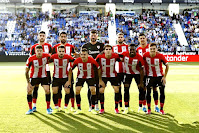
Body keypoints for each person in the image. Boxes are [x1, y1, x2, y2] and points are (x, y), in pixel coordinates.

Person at [71, 48, 105, 115]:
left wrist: (99, 79)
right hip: (80, 77)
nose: (83, 56)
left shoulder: (92, 60)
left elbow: (98, 68)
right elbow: (70, 69)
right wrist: (69, 79)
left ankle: (92, 108)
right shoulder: (77, 61)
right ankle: (78, 108)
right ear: (80, 55)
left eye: (85, 54)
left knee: (93, 90)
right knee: (77, 90)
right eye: (82, 54)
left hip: (90, 77)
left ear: (87, 55)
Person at [52, 31, 77, 112]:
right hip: (57, 72)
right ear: (59, 38)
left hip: (68, 72)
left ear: (66, 37)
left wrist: (71, 67)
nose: (63, 38)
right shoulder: (55, 47)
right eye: (61, 36)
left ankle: (72, 106)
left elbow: (74, 56)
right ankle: (58, 106)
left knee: (70, 90)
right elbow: (51, 58)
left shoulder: (71, 47)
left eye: (64, 36)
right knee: (58, 90)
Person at [29, 31, 52, 112]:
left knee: (48, 89)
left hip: (46, 70)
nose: (42, 37)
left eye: (43, 36)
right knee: (35, 88)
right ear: (38, 37)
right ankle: (34, 106)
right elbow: (31, 58)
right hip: (36, 71)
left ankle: (49, 107)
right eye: (40, 36)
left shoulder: (49, 46)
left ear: (45, 37)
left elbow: (51, 57)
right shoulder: (33, 47)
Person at [143, 43, 169, 114]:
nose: (152, 50)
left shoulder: (160, 56)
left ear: (156, 49)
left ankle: (161, 109)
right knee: (148, 92)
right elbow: (142, 64)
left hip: (159, 77)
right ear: (148, 49)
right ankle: (148, 109)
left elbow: (167, 65)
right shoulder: (145, 55)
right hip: (150, 77)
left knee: (162, 92)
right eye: (151, 49)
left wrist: (164, 77)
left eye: (154, 49)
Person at [81, 29, 104, 111]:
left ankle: (96, 104)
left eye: (95, 35)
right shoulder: (85, 46)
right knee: (90, 88)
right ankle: (90, 105)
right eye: (92, 35)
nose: (93, 37)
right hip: (88, 70)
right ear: (89, 36)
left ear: (97, 36)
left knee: (98, 87)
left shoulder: (101, 45)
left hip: (98, 69)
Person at [25, 45, 52, 115]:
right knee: (29, 91)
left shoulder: (47, 56)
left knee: (47, 90)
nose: (39, 52)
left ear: (42, 51)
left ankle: (48, 108)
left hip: (43, 77)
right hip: (34, 77)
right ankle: (30, 108)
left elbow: (54, 59)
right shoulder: (31, 59)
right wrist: (28, 83)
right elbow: (26, 72)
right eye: (38, 51)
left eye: (40, 51)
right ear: (35, 51)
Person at [137, 33, 159, 113]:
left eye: (143, 38)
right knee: (143, 89)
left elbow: (158, 55)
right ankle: (143, 106)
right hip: (143, 73)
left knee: (155, 89)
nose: (142, 39)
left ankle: (156, 106)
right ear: (139, 40)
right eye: (141, 38)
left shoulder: (150, 48)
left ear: (146, 39)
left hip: (152, 73)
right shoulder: (138, 49)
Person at [96, 45, 121, 114]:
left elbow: (121, 59)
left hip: (113, 75)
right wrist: (100, 80)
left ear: (112, 50)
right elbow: (97, 67)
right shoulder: (100, 57)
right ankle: (102, 108)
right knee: (101, 90)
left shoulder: (115, 56)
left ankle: (116, 108)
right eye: (106, 49)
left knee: (116, 90)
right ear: (104, 51)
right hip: (103, 76)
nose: (108, 50)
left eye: (110, 49)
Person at [49, 45, 75, 113]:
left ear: (65, 52)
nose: (61, 53)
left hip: (65, 77)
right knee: (55, 91)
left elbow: (72, 66)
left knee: (68, 91)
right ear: (57, 51)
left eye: (63, 51)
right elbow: (47, 61)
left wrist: (69, 81)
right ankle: (56, 107)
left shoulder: (68, 57)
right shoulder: (53, 57)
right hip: (56, 77)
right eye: (60, 51)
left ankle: (66, 107)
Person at [121, 44, 145, 114]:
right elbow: (117, 56)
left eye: (133, 50)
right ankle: (126, 107)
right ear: (128, 50)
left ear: (136, 50)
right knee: (126, 89)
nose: (132, 51)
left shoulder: (139, 57)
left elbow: (141, 70)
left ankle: (140, 108)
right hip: (127, 74)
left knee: (141, 89)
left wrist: (141, 82)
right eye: (130, 50)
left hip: (137, 74)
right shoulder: (124, 54)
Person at [112, 32, 129, 111]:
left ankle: (126, 107)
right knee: (117, 89)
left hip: (126, 71)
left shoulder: (127, 47)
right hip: (116, 72)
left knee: (126, 89)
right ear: (116, 38)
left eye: (121, 37)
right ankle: (118, 106)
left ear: (123, 38)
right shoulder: (113, 47)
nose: (120, 38)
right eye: (119, 37)